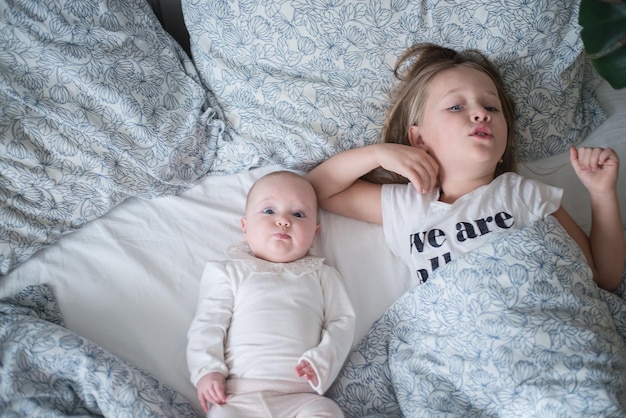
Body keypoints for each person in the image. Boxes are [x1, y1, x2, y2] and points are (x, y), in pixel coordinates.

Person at [307, 43, 624, 291]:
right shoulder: (408, 205)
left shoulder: (525, 193)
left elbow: (603, 276)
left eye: (491, 107)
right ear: (418, 139)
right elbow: (317, 189)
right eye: (456, 106)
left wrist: (601, 193)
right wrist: (377, 155)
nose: (481, 114)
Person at [186, 170, 356, 418]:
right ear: (245, 227)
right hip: (238, 397)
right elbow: (208, 325)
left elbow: (343, 322)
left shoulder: (323, 275)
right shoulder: (227, 272)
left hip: (301, 397)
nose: (284, 221)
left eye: (298, 214)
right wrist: (206, 370)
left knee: (327, 412)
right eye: (269, 211)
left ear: (313, 236)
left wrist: (322, 360)